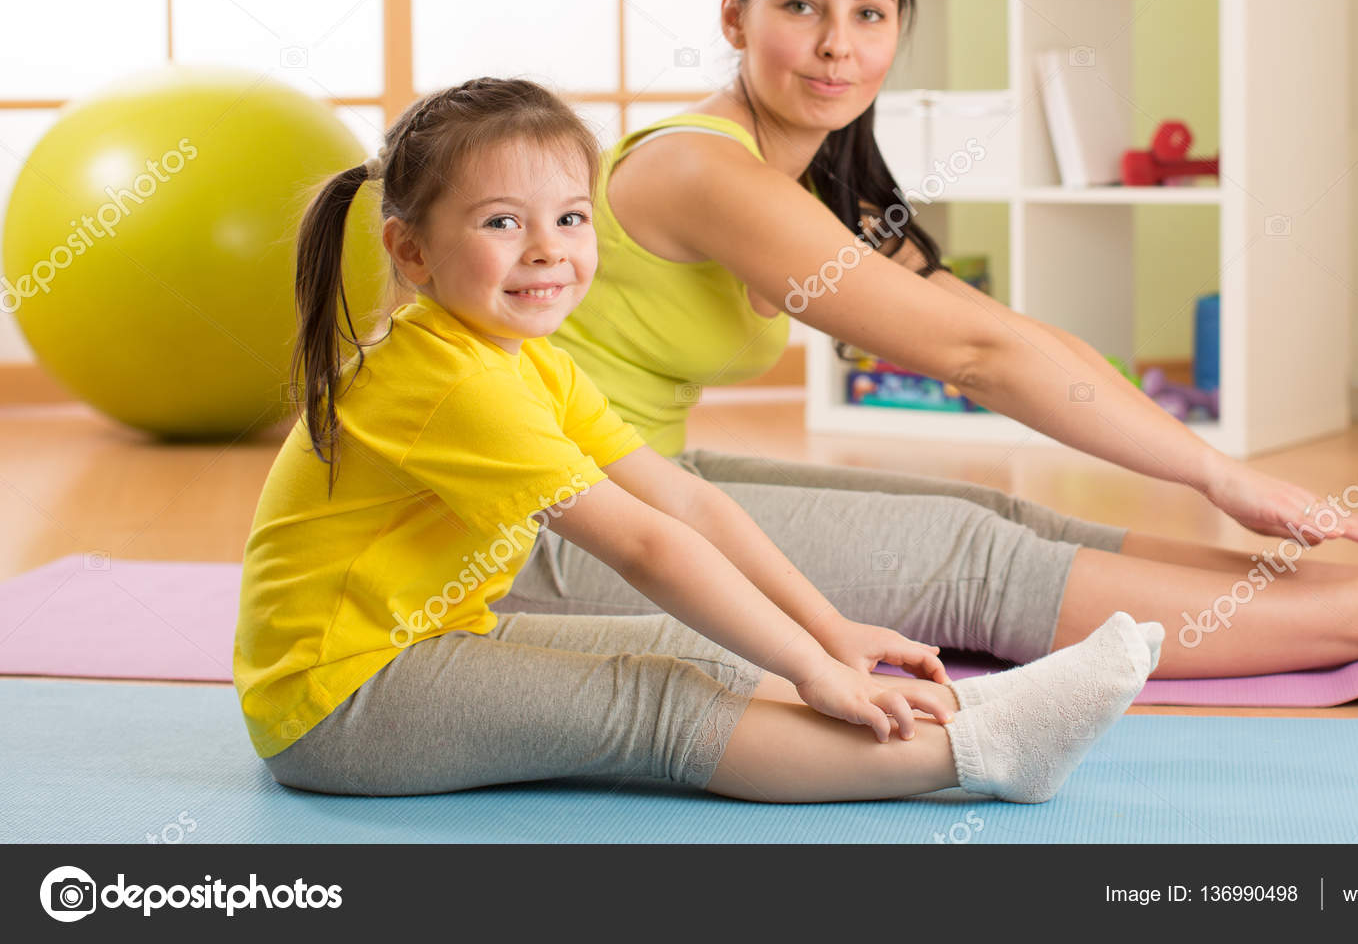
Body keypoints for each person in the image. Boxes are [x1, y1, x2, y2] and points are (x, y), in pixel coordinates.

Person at [504, 0, 1358, 681]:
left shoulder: (817, 182)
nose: (837, 45)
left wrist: (1206, 462)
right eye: (800, 6)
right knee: (963, 559)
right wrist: (1218, 478)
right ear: (735, 16)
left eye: (870, 13)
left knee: (984, 505)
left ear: (897, 30)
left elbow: (997, 327)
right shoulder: (702, 169)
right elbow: (972, 361)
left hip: (644, 479)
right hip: (531, 532)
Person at [233, 76, 1166, 804]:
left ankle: (978, 705)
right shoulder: (449, 379)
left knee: (707, 648)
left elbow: (684, 497)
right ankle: (981, 753)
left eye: (569, 217)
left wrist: (827, 631)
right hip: (339, 702)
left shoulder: (525, 356)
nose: (549, 249)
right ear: (411, 251)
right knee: (659, 700)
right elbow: (645, 542)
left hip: (432, 636)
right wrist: (810, 669)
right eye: (501, 223)